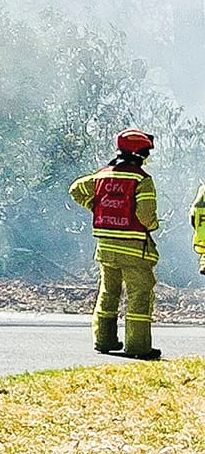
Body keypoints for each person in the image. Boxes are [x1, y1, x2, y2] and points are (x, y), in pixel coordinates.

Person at [70, 130, 162, 360]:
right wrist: (152, 225)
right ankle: (138, 347)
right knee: (139, 295)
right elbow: (146, 215)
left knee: (108, 292)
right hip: (133, 249)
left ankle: (104, 340)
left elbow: (75, 189)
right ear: (138, 153)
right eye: (146, 152)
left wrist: (97, 207)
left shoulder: (101, 176)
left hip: (106, 248)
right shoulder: (141, 180)